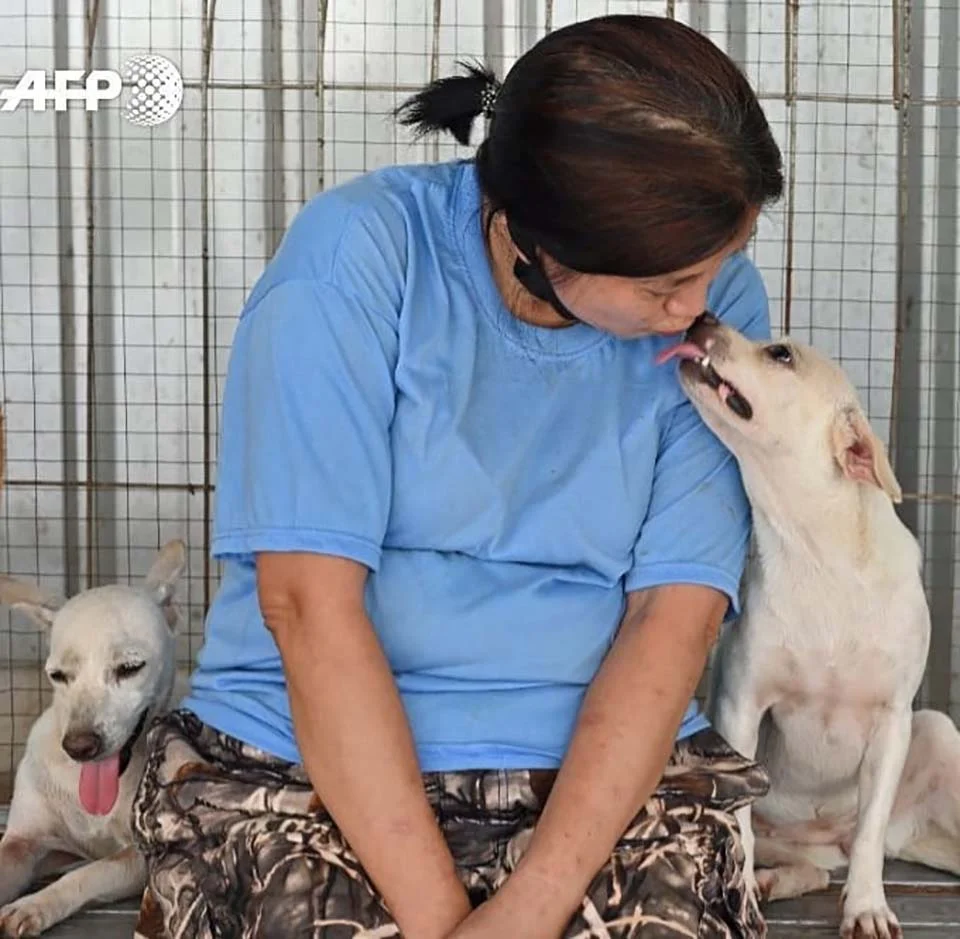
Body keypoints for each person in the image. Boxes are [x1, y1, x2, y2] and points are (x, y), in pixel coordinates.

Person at [131, 13, 784, 939]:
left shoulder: (712, 315)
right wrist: (444, 920)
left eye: (715, 269)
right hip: (301, 755)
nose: (700, 309)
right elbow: (309, 606)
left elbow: (672, 617)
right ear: (534, 238)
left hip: (597, 780)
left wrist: (529, 909)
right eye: (662, 287)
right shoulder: (357, 261)